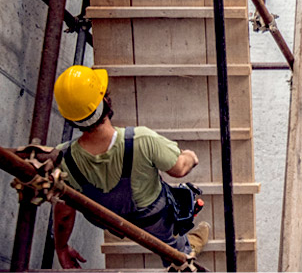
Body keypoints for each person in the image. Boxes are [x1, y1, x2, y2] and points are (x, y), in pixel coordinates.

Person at [49, 65, 211, 269]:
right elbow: (179, 170)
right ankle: (185, 252)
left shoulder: (63, 158)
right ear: (105, 102)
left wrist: (61, 248)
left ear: (71, 117)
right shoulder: (142, 140)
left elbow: (64, 213)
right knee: (174, 247)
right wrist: (190, 156)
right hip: (153, 220)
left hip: (111, 223)